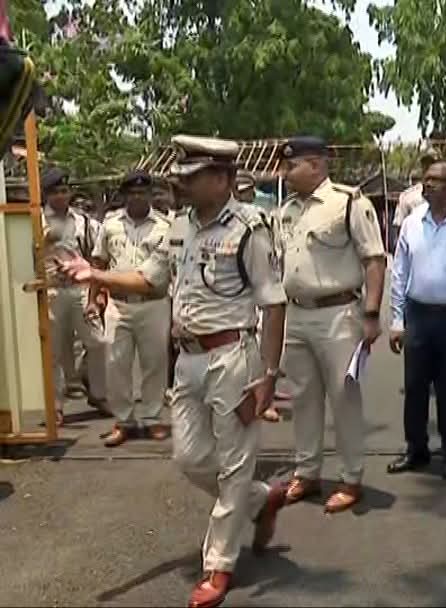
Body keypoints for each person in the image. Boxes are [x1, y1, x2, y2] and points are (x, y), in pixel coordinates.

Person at [58, 135, 288, 608]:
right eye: (182, 174)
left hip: (233, 358)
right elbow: (149, 278)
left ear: (222, 179)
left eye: (193, 175)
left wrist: (268, 375)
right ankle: (262, 499)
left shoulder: (250, 228)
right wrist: (96, 275)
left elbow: (273, 302)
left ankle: (218, 564)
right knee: (189, 458)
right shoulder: (179, 226)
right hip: (188, 360)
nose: (181, 182)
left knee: (235, 464)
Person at [278, 136, 386, 514]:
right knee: (303, 396)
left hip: (338, 312)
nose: (285, 173)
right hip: (297, 312)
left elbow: (374, 259)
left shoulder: (348, 202)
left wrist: (371, 313)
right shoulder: (287, 209)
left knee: (343, 398)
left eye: (292, 166)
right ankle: (306, 471)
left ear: (316, 164)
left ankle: (351, 477)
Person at [387, 160, 446, 480]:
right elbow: (400, 272)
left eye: (436, 180)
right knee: (415, 386)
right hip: (418, 314)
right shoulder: (412, 222)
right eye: (426, 179)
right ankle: (416, 449)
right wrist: (397, 319)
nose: (427, 184)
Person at [89, 170, 171, 447]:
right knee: (116, 365)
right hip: (118, 304)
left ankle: (152, 418)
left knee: (155, 363)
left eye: (142, 192)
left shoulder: (165, 226)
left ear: (150, 195)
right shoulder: (110, 224)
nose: (137, 197)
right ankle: (123, 420)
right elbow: (99, 263)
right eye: (132, 192)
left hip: (153, 303)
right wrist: (92, 299)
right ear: (125, 195)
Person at [41, 167, 107, 425]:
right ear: (47, 194)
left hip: (80, 288)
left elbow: (96, 255)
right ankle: (55, 406)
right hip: (51, 289)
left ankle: (99, 393)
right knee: (54, 350)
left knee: (98, 341)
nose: (61, 196)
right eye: (56, 191)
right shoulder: (36, 220)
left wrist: (97, 292)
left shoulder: (83, 221)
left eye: (64, 190)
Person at [392, 149, 440, 242]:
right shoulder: (408, 197)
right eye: (427, 164)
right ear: (422, 167)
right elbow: (399, 230)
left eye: (434, 164)